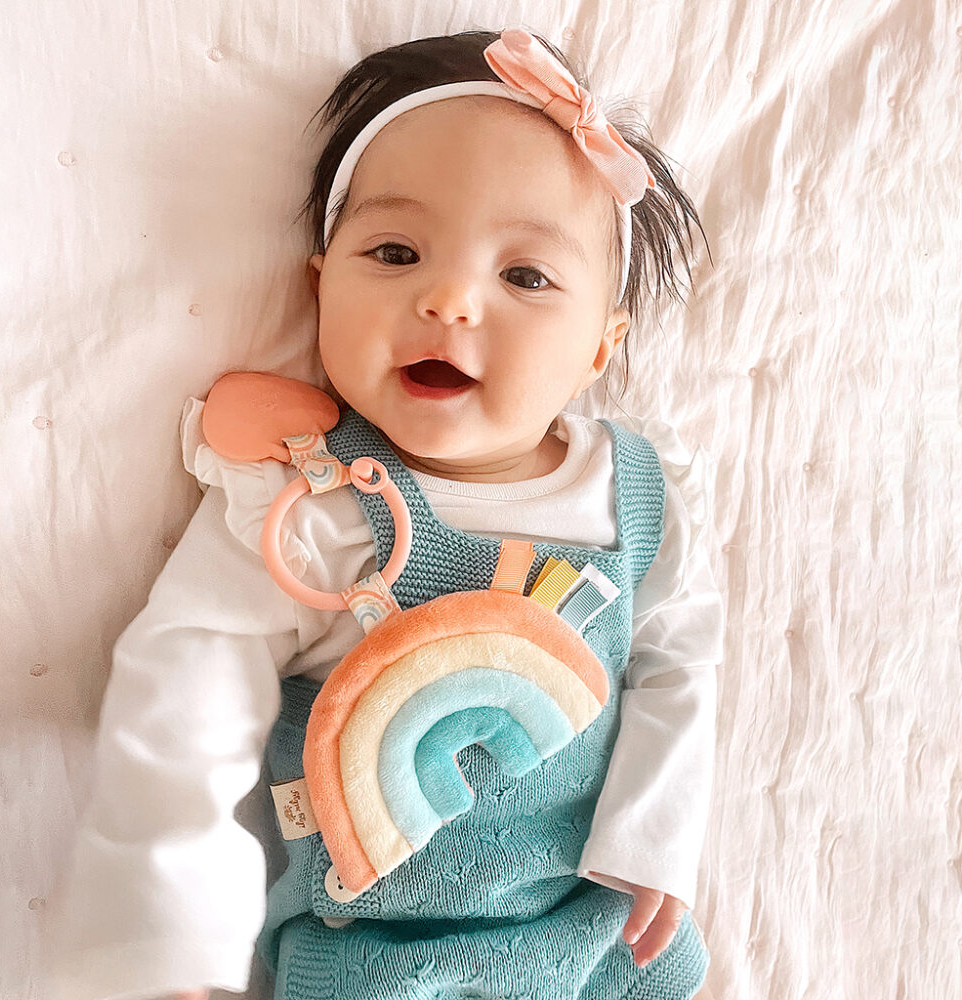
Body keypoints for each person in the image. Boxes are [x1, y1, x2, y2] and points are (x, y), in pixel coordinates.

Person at [46, 26, 724, 1000]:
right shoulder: (310, 503)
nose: (448, 299)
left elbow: (677, 664)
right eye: (396, 251)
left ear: (597, 349)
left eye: (524, 276)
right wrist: (171, 924)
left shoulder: (640, 496)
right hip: (380, 955)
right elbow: (186, 683)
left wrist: (655, 838)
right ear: (321, 287)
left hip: (600, 940)